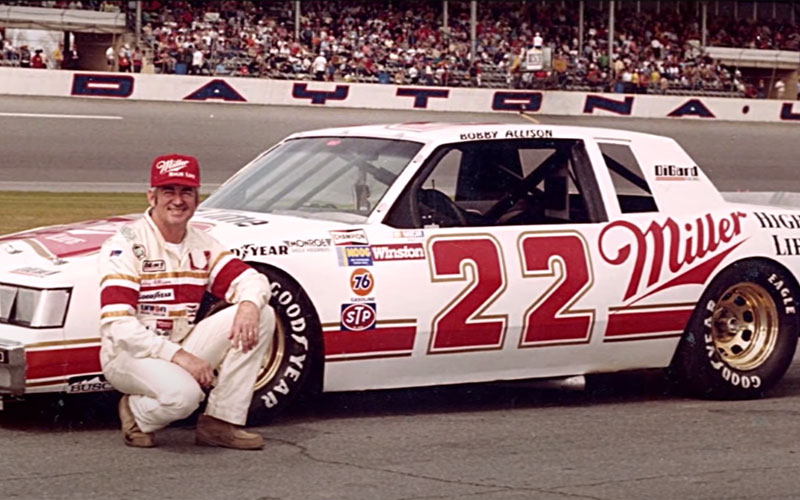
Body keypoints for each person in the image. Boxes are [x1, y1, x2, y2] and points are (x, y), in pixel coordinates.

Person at [98, 154, 275, 450]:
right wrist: (182, 358)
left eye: (186, 192)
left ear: (197, 198)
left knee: (262, 312)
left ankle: (221, 422)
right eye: (169, 191)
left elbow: (252, 279)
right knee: (185, 397)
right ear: (151, 196)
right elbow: (119, 327)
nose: (178, 201)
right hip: (129, 355)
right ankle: (136, 412)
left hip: (178, 346)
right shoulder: (125, 244)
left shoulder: (201, 243)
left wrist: (247, 305)